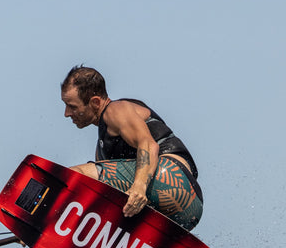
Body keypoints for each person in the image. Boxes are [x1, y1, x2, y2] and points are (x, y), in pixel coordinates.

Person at [59, 65, 203, 230]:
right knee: (101, 201)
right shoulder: (102, 149)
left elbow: (148, 144)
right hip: (189, 211)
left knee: (76, 176)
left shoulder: (116, 110)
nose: (67, 113)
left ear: (95, 102)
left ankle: (39, 213)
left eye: (72, 106)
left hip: (173, 182)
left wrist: (139, 186)